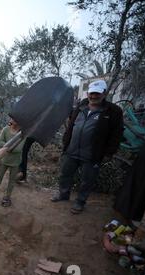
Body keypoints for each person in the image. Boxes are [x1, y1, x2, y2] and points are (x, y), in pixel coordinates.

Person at [51, 80, 124, 214]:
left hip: (92, 154)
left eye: (97, 94)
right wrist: (65, 142)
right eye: (91, 93)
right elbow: (71, 125)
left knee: (87, 180)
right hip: (72, 150)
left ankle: (80, 202)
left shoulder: (113, 111)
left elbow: (117, 134)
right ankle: (63, 194)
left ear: (104, 93)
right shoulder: (81, 107)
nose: (93, 96)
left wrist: (109, 153)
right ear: (88, 94)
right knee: (65, 174)